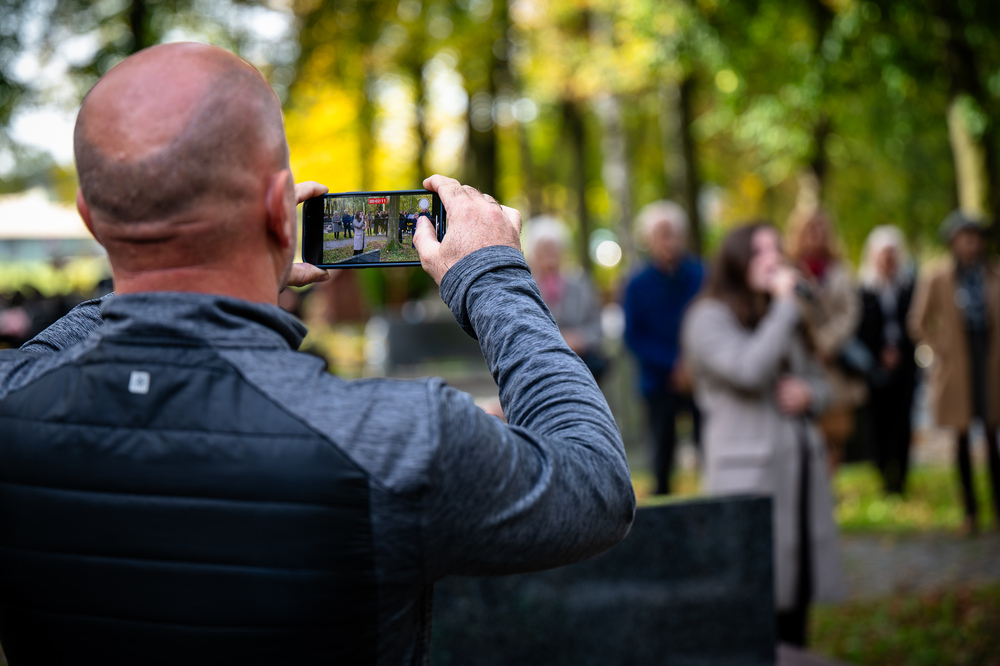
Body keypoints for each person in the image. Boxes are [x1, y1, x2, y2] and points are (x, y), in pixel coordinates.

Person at [0, 43, 635, 666]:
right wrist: (492, 276)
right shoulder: (397, 441)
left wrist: (220, 263)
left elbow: (62, 343)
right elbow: (596, 485)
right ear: (282, 212)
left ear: (90, 218)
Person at [682, 222, 844, 648]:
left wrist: (811, 394)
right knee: (754, 609)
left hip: (800, 477)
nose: (773, 259)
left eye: (776, 249)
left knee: (796, 605)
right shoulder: (706, 318)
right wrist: (786, 308)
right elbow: (748, 369)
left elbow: (823, 382)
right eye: (759, 252)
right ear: (735, 261)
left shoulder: (779, 313)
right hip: (749, 482)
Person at [909, 211, 1000, 535]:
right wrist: (942, 347)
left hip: (988, 363)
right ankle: (970, 512)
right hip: (958, 367)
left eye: (975, 238)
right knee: (961, 439)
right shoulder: (937, 278)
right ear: (953, 242)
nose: (971, 244)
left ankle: (997, 509)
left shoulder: (993, 275)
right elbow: (918, 322)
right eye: (965, 238)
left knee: (992, 436)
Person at [623, 201, 704, 495]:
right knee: (661, 452)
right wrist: (672, 365)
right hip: (658, 381)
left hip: (700, 376)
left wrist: (690, 365)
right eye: (661, 234)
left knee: (708, 444)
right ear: (650, 239)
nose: (668, 241)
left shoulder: (701, 276)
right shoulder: (636, 284)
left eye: (672, 233)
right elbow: (634, 336)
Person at [785, 207, 865, 472]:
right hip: (801, 361)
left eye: (821, 228)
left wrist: (826, 344)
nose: (815, 234)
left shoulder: (841, 270)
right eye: (810, 228)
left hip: (834, 365)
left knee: (835, 432)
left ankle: (829, 487)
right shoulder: (789, 271)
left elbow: (850, 313)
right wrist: (811, 345)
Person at [856, 226, 918, 495]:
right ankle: (884, 475)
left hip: (905, 367)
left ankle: (901, 478)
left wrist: (900, 351)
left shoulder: (909, 288)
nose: (888, 259)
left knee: (903, 422)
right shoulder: (864, 291)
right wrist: (878, 354)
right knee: (878, 423)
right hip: (875, 367)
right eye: (883, 254)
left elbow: (916, 326)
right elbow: (859, 330)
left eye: (892, 253)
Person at [525, 216, 606, 381]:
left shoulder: (581, 283)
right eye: (543, 250)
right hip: (541, 370)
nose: (549, 256)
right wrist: (556, 340)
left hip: (582, 367)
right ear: (534, 253)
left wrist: (580, 339)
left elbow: (597, 327)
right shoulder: (527, 287)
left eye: (553, 249)